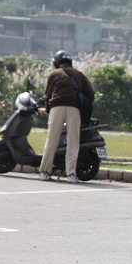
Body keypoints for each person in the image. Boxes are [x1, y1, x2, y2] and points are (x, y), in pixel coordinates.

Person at [37, 50, 94, 183]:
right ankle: (71, 174)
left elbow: (47, 95)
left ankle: (44, 172)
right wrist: (84, 107)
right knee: (73, 142)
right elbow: (90, 93)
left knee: (52, 140)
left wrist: (48, 109)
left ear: (57, 62)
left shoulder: (54, 74)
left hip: (56, 108)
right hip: (74, 108)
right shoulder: (79, 74)